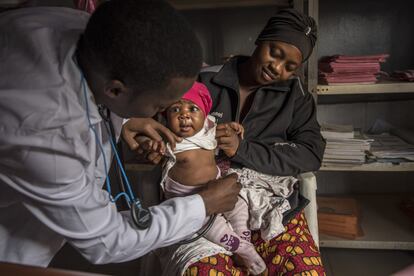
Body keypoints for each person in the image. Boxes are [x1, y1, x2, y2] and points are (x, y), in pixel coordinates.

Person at [0, 0, 241, 267]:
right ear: (115, 91)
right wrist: (202, 205)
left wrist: (124, 119)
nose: (164, 114)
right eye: (161, 106)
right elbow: (108, 241)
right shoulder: (47, 135)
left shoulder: (86, 32)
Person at [125, 8, 326, 275]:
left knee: (303, 271)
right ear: (261, 39)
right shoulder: (204, 80)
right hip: (198, 201)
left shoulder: (295, 96)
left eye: (290, 67)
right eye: (274, 53)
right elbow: (154, 124)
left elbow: (310, 154)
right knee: (207, 270)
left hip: (269, 206)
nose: (276, 68)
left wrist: (243, 149)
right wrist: (156, 147)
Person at [137, 81, 265, 274]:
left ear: (205, 114)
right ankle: (246, 253)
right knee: (217, 229)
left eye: (193, 108)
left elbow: (225, 131)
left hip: (220, 189)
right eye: (176, 109)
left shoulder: (209, 129)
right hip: (193, 202)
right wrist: (148, 144)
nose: (184, 114)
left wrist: (233, 128)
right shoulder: (169, 140)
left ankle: (243, 237)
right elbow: (142, 138)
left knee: (240, 205)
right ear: (166, 116)